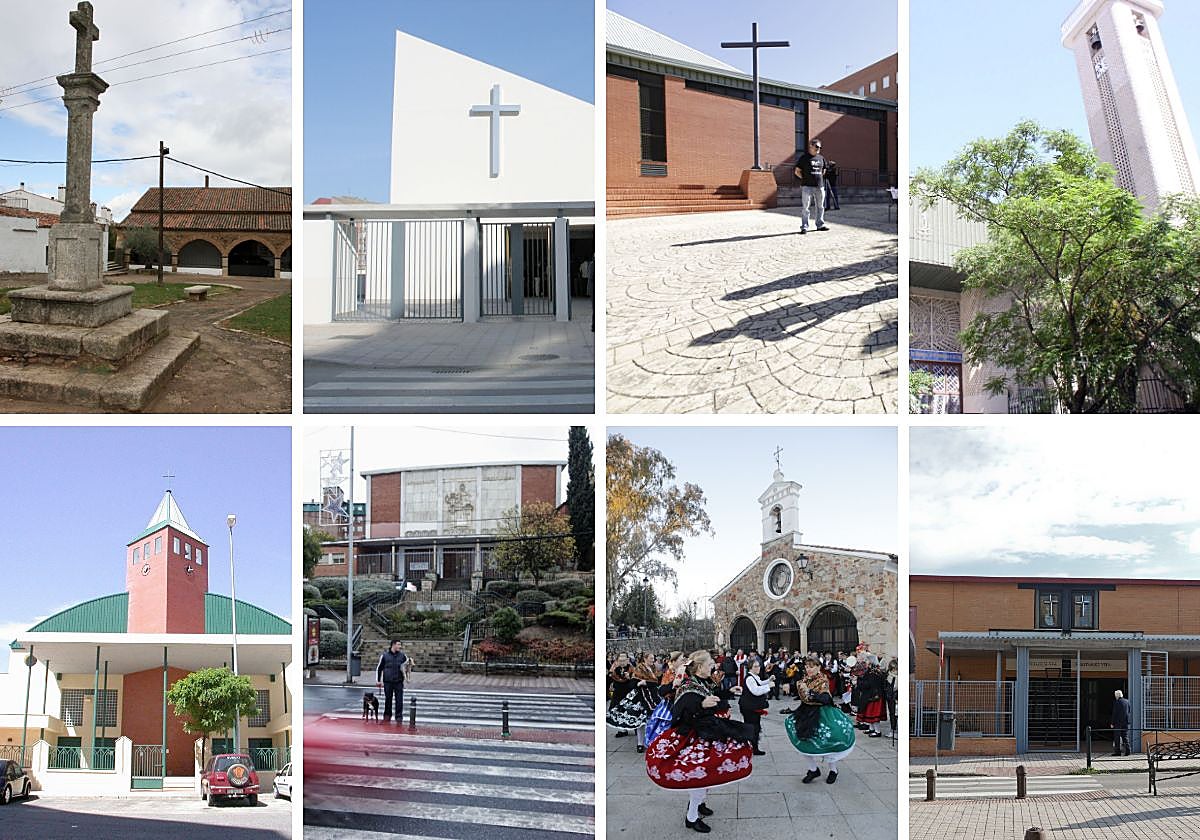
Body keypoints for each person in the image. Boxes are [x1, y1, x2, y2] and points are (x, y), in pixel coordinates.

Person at [646, 650, 754, 833]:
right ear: (700, 667)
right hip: (694, 737)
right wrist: (701, 705)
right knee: (699, 776)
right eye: (710, 662)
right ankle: (692, 817)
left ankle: (699, 804)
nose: (714, 665)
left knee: (707, 774)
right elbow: (679, 715)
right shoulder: (687, 687)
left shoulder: (704, 681)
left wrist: (728, 691)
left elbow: (715, 695)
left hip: (709, 730)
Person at [786, 657, 856, 784]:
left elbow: (826, 699)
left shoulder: (822, 680)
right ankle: (813, 769)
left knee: (828, 740)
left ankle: (833, 770)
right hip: (806, 712)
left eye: (812, 667)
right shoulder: (804, 680)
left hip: (823, 713)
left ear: (818, 667)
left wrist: (812, 694)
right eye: (807, 667)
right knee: (803, 740)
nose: (809, 669)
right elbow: (799, 692)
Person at [607, 651, 659, 752]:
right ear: (645, 659)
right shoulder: (639, 669)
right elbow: (634, 683)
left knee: (649, 720)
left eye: (653, 659)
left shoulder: (651, 668)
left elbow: (657, 681)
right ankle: (639, 743)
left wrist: (646, 683)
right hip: (638, 696)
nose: (652, 660)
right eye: (650, 658)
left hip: (652, 696)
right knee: (639, 719)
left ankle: (649, 740)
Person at [793, 139, 829, 234]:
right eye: (817, 146)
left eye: (820, 147)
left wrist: (818, 179)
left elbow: (823, 171)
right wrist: (805, 179)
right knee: (806, 207)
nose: (818, 149)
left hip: (819, 186)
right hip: (807, 187)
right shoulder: (804, 158)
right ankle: (804, 227)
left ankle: (820, 225)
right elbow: (797, 171)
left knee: (820, 206)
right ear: (811, 146)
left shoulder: (821, 158)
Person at [739, 659, 773, 756]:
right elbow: (756, 691)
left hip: (751, 707)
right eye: (755, 666)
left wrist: (768, 680)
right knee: (752, 727)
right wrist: (769, 686)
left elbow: (760, 683)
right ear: (750, 668)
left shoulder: (754, 676)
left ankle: (752, 747)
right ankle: (753, 748)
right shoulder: (750, 678)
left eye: (758, 666)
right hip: (748, 707)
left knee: (754, 727)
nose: (758, 668)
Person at [375, 639, 412, 723]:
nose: (400, 646)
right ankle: (387, 715)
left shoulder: (403, 656)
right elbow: (379, 668)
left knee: (399, 700)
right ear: (393, 645)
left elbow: (407, 667)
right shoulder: (384, 656)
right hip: (388, 681)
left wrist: (407, 677)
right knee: (388, 699)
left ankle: (399, 717)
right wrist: (378, 680)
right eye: (398, 645)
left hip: (399, 681)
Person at [1112, 689, 1132, 756]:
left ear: (1117, 696)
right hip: (1125, 722)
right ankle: (1128, 751)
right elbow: (1129, 711)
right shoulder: (1127, 701)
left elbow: (1114, 713)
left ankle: (1118, 752)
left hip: (1118, 723)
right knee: (1125, 737)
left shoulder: (1116, 702)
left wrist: (1112, 723)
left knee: (1117, 737)